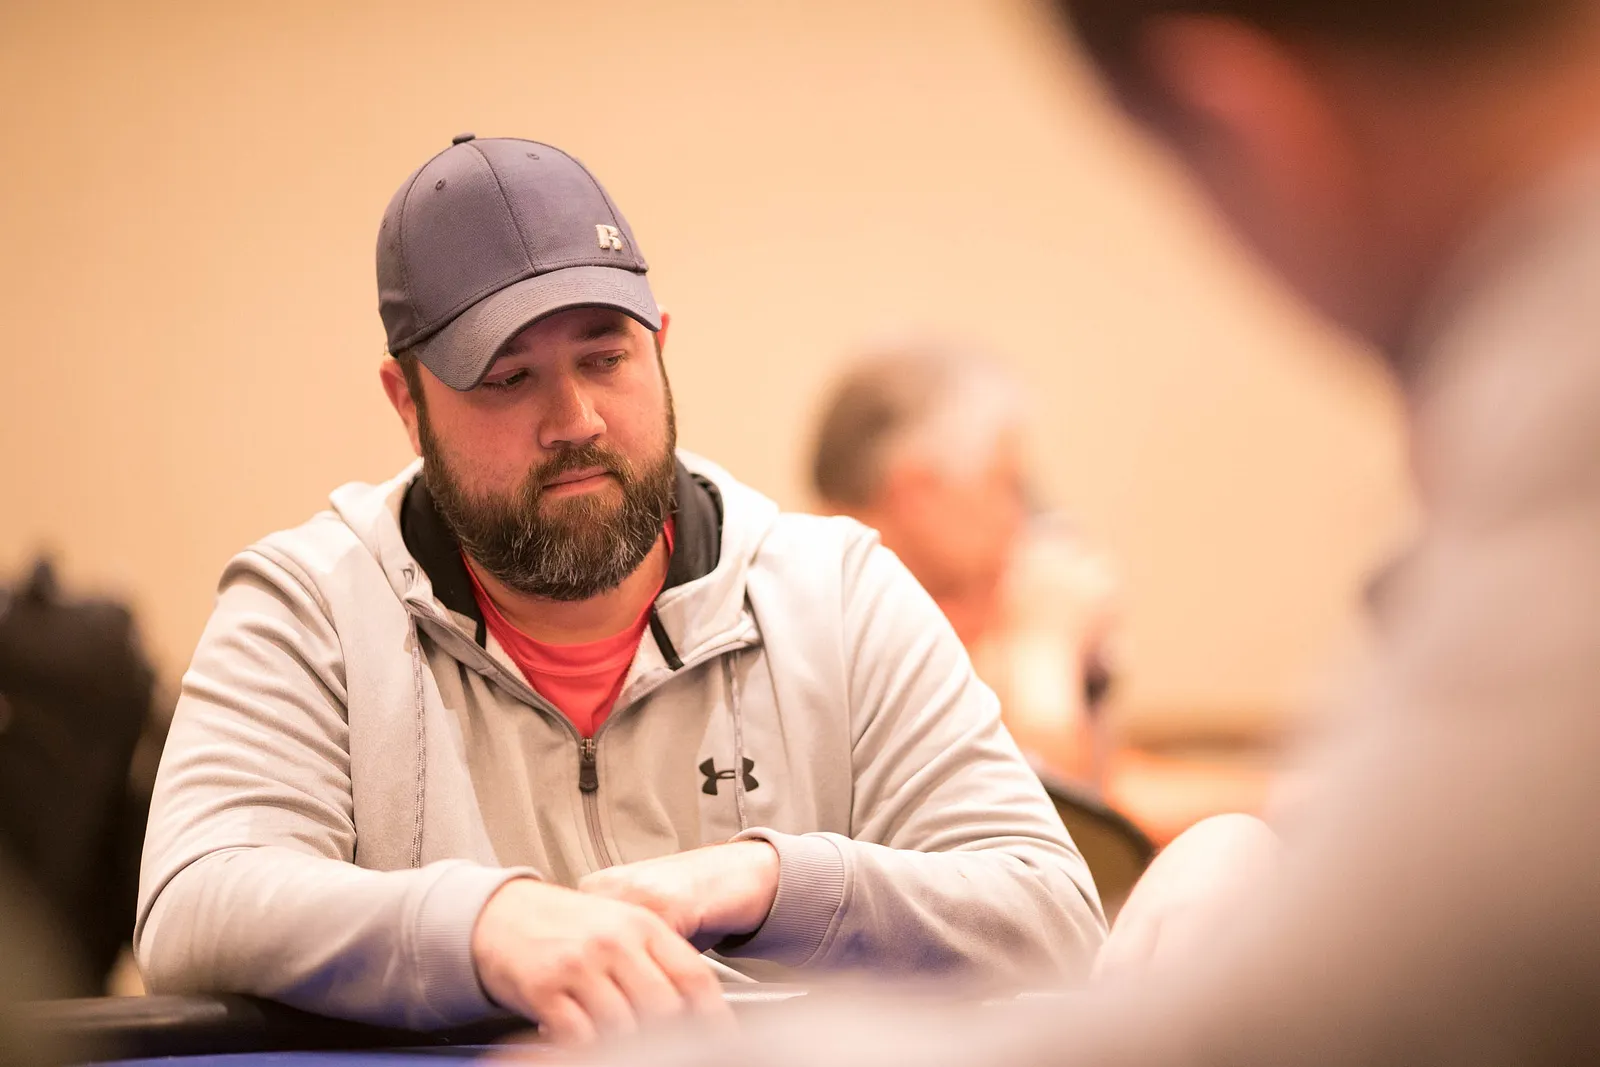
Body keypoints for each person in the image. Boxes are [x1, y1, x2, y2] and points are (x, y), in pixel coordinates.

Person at [595, 0, 1600, 1062]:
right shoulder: (833, 612)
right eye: (1005, 481)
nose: (1028, 511)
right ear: (922, 486)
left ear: (1239, 121)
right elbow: (1080, 838)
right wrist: (1043, 663)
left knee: (1224, 851)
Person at [134, 135, 1106, 1045]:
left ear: (659, 344)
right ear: (408, 402)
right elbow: (194, 897)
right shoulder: (310, 605)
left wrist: (763, 879)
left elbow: (1050, 912)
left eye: (605, 358)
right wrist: (486, 923)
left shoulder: (838, 594)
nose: (576, 418)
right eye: (508, 377)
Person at [809, 346, 1117, 784]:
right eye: (1005, 484)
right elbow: (1044, 809)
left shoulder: (935, 610)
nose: (1019, 520)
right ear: (916, 494)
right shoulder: (836, 634)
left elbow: (1112, 783)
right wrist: (1043, 653)